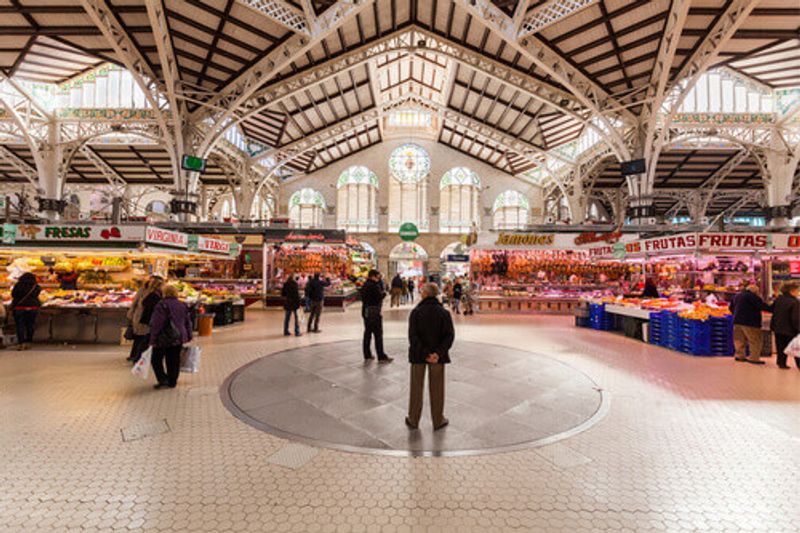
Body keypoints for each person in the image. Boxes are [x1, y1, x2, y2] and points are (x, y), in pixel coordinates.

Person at [406, 283, 455, 431]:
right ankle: (438, 420)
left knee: (416, 388)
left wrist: (425, 353)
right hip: (437, 358)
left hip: (418, 356)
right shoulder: (444, 313)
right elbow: (449, 336)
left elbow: (413, 337)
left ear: (426, 294)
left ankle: (414, 419)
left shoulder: (416, 312)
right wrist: (437, 354)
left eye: (422, 292)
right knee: (437, 389)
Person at [149, 284, 193, 389]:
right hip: (178, 336)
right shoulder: (182, 305)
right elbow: (188, 322)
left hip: (163, 337)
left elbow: (157, 323)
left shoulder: (162, 305)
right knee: (174, 359)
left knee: (156, 359)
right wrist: (188, 335)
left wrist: (153, 338)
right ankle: (172, 381)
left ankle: (163, 379)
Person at [730, 282, 771, 365]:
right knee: (755, 340)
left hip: (737, 321)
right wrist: (774, 308)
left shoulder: (737, 295)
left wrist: (736, 314)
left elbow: (731, 307)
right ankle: (754, 358)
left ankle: (739, 356)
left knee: (739, 340)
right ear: (755, 292)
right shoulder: (753, 297)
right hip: (750, 322)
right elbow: (762, 307)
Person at [126, 276, 163, 363]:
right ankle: (137, 357)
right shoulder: (147, 291)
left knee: (140, 337)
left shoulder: (152, 291)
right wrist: (131, 315)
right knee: (141, 337)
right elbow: (137, 303)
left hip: (142, 317)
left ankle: (135, 356)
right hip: (142, 317)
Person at [361, 269, 393, 363]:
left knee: (367, 333)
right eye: (378, 277)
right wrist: (383, 294)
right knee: (378, 334)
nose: (379, 279)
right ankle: (381, 356)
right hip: (374, 312)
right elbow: (379, 297)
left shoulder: (365, 285)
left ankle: (367, 354)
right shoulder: (374, 286)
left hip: (366, 311)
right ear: (373, 276)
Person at [770, 282, 800, 369]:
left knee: (780, 347)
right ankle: (799, 364)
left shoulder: (779, 299)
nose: (798, 292)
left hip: (777, 327)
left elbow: (772, 309)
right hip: (790, 329)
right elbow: (796, 318)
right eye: (797, 290)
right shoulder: (794, 302)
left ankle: (781, 363)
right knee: (796, 347)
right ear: (792, 291)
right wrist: (798, 329)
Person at [10, 272, 41, 350]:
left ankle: (21, 343)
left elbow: (13, 294)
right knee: (30, 325)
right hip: (32, 307)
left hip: (20, 308)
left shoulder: (18, 285)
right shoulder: (36, 286)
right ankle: (28, 342)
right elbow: (37, 294)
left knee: (20, 325)